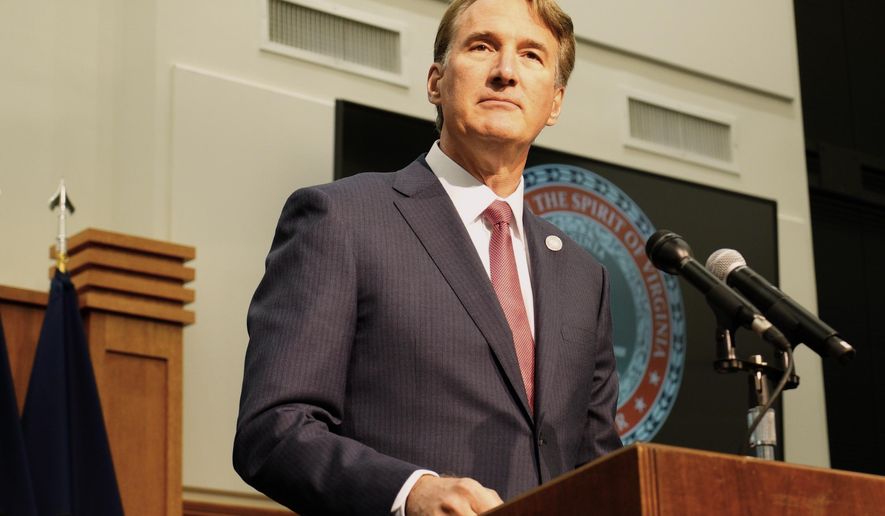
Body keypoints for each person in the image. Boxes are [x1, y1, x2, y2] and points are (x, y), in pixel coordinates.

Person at [233, 0, 622, 514]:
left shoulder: (581, 274)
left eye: (531, 55)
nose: (506, 72)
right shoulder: (342, 219)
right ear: (436, 82)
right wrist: (409, 492)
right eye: (483, 46)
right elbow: (273, 429)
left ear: (554, 102)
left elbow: (598, 466)